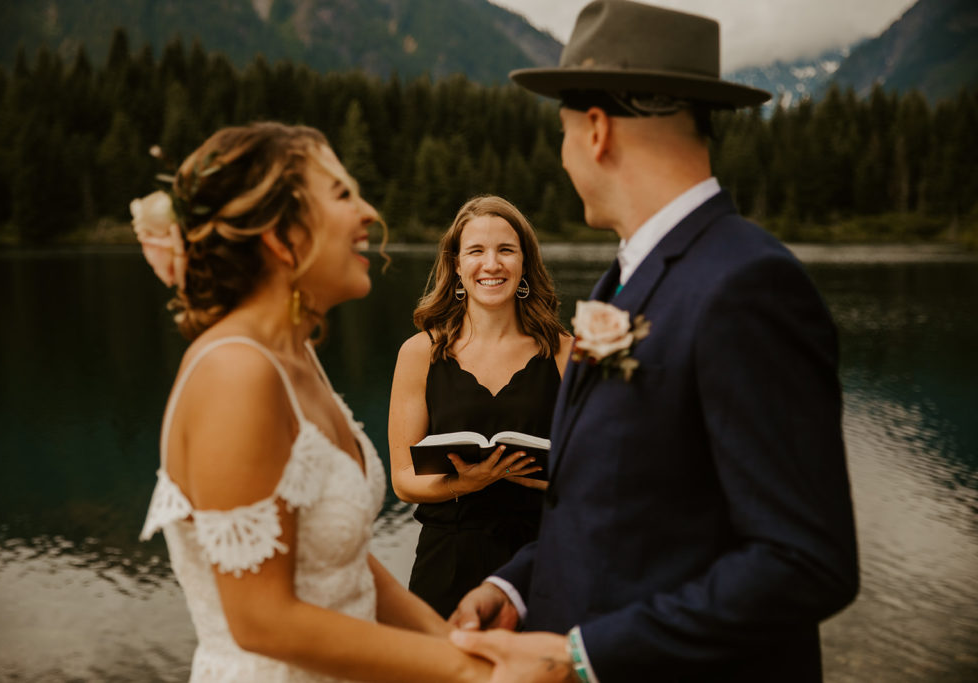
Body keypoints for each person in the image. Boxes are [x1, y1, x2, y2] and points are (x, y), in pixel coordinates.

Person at [448, 2, 859, 682]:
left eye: (564, 130)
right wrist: (518, 585)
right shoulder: (627, 279)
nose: (565, 150)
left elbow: (805, 561)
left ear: (598, 131)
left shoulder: (746, 284)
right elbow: (614, 504)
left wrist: (580, 655)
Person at [136, 122, 490, 682]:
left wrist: (457, 643)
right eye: (344, 195)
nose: (369, 212)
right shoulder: (236, 372)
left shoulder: (296, 355)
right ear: (283, 237)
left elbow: (339, 560)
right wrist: (469, 673)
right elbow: (262, 622)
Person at [388, 196, 572, 618]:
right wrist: (465, 484)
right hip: (447, 559)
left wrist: (547, 483)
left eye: (506, 250)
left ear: (525, 263)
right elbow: (403, 479)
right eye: (476, 251)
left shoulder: (566, 353)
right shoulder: (420, 353)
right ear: (456, 265)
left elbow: (594, 471)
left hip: (542, 559)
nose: (492, 264)